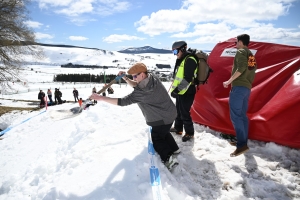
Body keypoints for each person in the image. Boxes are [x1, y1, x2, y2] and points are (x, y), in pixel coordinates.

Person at [89, 63, 180, 170]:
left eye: (135, 76)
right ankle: (175, 149)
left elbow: (122, 101)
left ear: (142, 75)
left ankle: (169, 160)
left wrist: (102, 98)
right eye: (132, 76)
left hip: (162, 117)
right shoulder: (152, 78)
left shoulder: (141, 93)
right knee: (163, 131)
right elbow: (136, 84)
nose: (134, 78)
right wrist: (126, 78)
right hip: (171, 112)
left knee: (157, 137)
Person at [223, 34, 256, 157]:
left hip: (239, 88)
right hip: (247, 88)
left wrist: (229, 81)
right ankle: (242, 141)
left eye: (237, 42)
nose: (236, 44)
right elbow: (251, 71)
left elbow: (241, 68)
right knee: (242, 116)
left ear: (241, 42)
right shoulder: (251, 54)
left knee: (236, 116)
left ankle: (241, 145)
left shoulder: (241, 51)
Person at [170, 41, 198, 142]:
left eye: (176, 51)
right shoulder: (182, 59)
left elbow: (187, 79)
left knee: (184, 112)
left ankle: (190, 133)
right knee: (178, 110)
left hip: (188, 91)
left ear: (183, 49)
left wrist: (176, 90)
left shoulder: (190, 59)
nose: (175, 54)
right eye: (173, 52)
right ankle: (178, 128)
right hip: (181, 91)